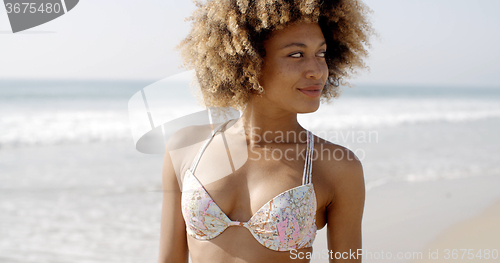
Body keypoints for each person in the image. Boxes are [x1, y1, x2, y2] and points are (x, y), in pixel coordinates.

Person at [158, 0, 373, 262]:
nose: (317, 71)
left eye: (321, 54)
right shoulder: (186, 147)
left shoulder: (337, 167)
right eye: (296, 54)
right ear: (247, 61)